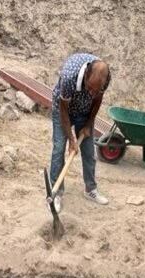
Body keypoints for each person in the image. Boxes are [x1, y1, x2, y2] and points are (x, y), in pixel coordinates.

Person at [50, 52, 112, 213]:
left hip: (84, 112)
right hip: (63, 110)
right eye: (90, 88)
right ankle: (56, 193)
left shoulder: (103, 80)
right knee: (58, 148)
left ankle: (90, 189)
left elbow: (97, 100)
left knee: (89, 151)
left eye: (96, 89)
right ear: (85, 76)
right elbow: (63, 110)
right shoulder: (69, 77)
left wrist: (88, 123)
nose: (92, 92)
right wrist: (71, 139)